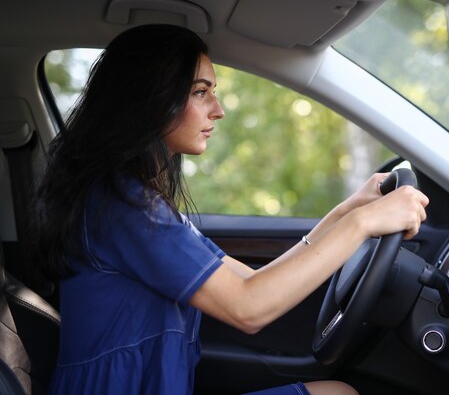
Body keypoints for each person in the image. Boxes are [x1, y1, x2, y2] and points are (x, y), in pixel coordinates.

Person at [32, 24, 429, 395]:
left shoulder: (139, 200)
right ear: (151, 98)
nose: (217, 110)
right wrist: (363, 223)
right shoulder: (122, 207)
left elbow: (249, 281)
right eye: (200, 92)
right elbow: (248, 307)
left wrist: (347, 211)